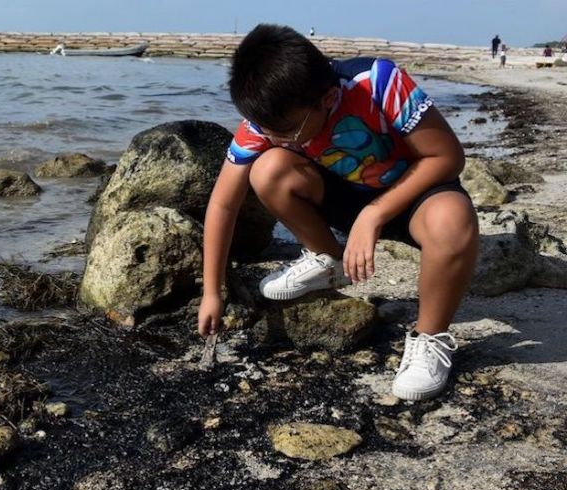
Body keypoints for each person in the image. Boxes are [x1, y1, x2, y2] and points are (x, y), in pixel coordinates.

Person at [198, 24, 478, 401]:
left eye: (288, 131)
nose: (276, 138)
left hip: (416, 195)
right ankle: (328, 260)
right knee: (268, 170)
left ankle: (429, 337)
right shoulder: (273, 118)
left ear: (328, 98)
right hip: (345, 197)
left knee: (453, 220)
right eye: (268, 129)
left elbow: (447, 157)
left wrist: (373, 215)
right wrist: (212, 291)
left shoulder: (378, 82)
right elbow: (223, 203)